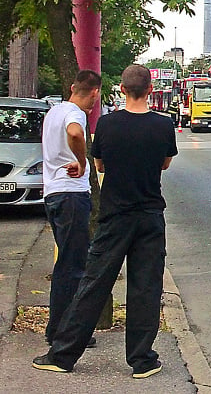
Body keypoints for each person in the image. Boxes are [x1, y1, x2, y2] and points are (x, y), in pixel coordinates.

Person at [33, 64, 178, 379]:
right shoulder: (164, 125)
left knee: (93, 283)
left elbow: (99, 164)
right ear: (151, 90)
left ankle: (63, 354)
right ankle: (142, 360)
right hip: (150, 216)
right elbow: (165, 164)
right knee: (146, 287)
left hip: (114, 217)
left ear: (122, 90)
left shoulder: (106, 125)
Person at [41, 70, 102, 348]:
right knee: (74, 265)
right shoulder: (76, 114)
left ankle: (60, 328)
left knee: (67, 260)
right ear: (94, 93)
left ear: (71, 86)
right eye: (95, 98)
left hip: (53, 193)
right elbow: (76, 134)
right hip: (71, 195)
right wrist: (82, 160)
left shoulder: (53, 112)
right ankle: (65, 333)